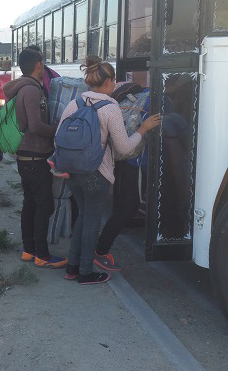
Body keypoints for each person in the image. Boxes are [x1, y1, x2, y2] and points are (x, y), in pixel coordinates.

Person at [57, 56, 161, 284]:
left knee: (83, 218)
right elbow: (123, 148)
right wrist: (142, 129)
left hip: (73, 172)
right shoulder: (110, 107)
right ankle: (85, 273)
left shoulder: (75, 103)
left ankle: (72, 267)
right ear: (109, 82)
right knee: (91, 222)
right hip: (96, 174)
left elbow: (59, 136)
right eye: (115, 82)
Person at [3, 47, 66, 268]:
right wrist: (58, 129)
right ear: (38, 65)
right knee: (44, 206)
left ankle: (29, 250)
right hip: (34, 157)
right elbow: (36, 125)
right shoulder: (31, 91)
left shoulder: (24, 88)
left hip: (26, 157)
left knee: (31, 203)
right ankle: (42, 254)